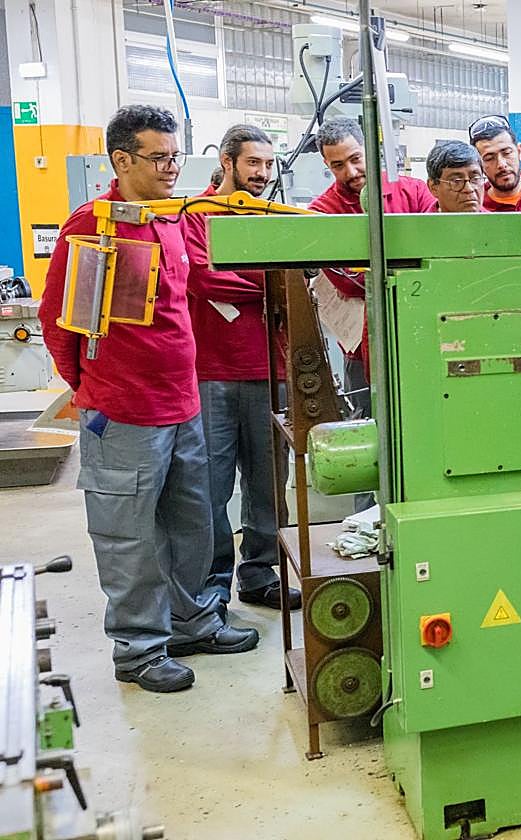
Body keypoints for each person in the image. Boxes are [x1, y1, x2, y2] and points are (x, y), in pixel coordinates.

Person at [39, 105, 258, 693]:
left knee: (194, 523)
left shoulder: (167, 220)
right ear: (121, 160)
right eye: (158, 157)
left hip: (182, 403)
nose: (170, 167)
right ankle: (137, 649)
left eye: (174, 155)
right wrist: (88, 391)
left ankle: (189, 622)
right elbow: (60, 321)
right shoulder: (96, 224)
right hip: (124, 411)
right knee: (128, 534)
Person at [184, 124, 300, 613]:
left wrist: (272, 276)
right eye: (254, 163)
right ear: (227, 162)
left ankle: (260, 574)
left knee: (268, 480)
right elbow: (203, 275)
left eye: (269, 165)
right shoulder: (195, 213)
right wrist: (270, 283)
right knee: (212, 483)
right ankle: (212, 585)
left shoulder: (272, 214)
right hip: (212, 370)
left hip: (270, 368)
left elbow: (295, 266)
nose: (262, 174)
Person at [308, 117, 437, 420]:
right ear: (327, 165)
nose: (351, 172)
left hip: (424, 333)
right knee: (370, 421)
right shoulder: (322, 212)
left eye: (355, 159)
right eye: (338, 165)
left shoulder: (414, 193)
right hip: (363, 347)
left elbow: (437, 254)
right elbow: (348, 283)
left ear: (370, 148)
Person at [426, 140, 488, 213]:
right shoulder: (419, 224)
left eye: (475, 179)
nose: (469, 189)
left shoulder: (498, 222)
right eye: (457, 181)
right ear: (433, 187)